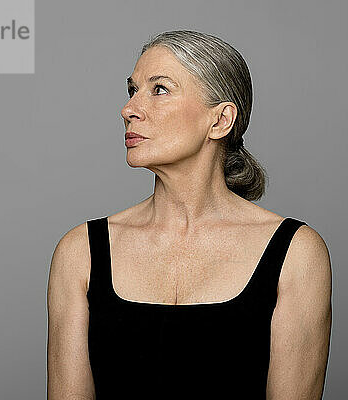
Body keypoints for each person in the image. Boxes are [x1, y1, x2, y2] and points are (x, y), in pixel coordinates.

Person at [47, 30, 332, 400]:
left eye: (159, 89)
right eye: (132, 90)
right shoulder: (80, 252)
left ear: (220, 121)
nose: (129, 108)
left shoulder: (297, 254)